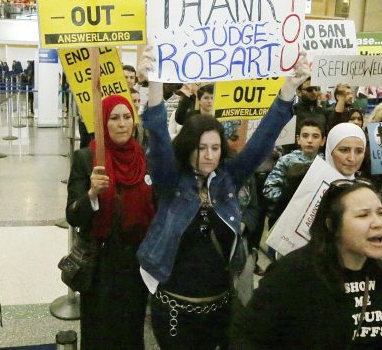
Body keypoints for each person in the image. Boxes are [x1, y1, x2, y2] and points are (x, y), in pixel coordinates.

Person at [137, 47, 308, 349]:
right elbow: (160, 139)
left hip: (220, 308)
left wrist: (288, 89)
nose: (209, 156)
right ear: (188, 146)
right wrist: (153, 83)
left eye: (215, 148)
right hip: (175, 308)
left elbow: (261, 142)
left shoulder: (229, 177)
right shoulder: (170, 180)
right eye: (201, 148)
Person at [231, 178, 382, 349]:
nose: (378, 223)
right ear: (332, 225)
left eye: (381, 213)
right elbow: (246, 336)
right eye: (363, 215)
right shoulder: (293, 273)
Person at [65, 95, 155, 349]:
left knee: (131, 329)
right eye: (114, 118)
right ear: (104, 123)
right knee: (99, 331)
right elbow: (72, 215)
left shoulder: (144, 160)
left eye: (127, 117)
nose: (122, 124)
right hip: (101, 263)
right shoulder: (87, 159)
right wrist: (92, 193)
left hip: (136, 263)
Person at [263, 118, 326, 228]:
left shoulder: (326, 164)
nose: (310, 140)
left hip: (313, 221)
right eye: (305, 136)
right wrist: (290, 200)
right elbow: (269, 188)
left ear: (323, 141)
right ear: (298, 139)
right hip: (285, 218)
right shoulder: (286, 160)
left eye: (315, 136)